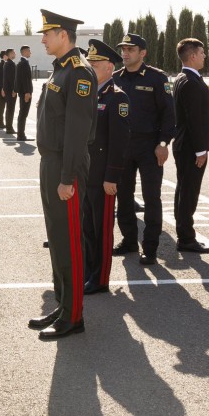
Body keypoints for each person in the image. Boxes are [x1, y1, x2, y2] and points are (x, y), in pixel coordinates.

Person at [31, 9, 96, 341]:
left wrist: (68, 178)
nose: (42, 39)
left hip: (65, 166)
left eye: (47, 33)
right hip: (51, 163)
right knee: (57, 237)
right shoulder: (60, 71)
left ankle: (74, 316)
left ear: (64, 35)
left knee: (69, 241)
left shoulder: (79, 74)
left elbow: (76, 131)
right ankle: (64, 304)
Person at [110, 34, 175, 263]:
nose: (125, 53)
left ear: (143, 52)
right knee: (124, 197)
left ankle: (150, 247)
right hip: (123, 148)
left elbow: (169, 115)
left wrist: (163, 144)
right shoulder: (115, 78)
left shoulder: (157, 79)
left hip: (150, 147)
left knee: (151, 198)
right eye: (123, 49)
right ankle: (129, 241)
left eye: (131, 49)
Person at [83, 39, 128, 295]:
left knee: (102, 230)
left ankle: (100, 278)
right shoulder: (88, 93)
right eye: (89, 63)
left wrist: (112, 176)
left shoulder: (116, 99)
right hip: (87, 172)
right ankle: (89, 270)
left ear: (109, 68)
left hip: (103, 177)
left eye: (96, 64)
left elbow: (119, 143)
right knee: (87, 226)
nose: (91, 67)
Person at [172, 38, 209, 255]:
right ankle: (186, 237)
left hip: (184, 145)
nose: (204, 56)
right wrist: (200, 149)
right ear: (192, 56)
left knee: (184, 190)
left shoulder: (183, 78)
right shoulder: (191, 82)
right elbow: (194, 119)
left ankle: (184, 233)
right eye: (202, 52)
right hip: (190, 147)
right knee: (189, 192)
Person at [11, 46, 34, 142]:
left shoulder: (21, 63)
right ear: (24, 52)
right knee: (23, 114)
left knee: (22, 114)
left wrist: (16, 90)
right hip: (25, 93)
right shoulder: (23, 64)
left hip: (23, 92)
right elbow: (24, 80)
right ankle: (21, 135)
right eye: (29, 51)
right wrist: (27, 92)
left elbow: (18, 79)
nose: (30, 52)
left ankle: (20, 134)